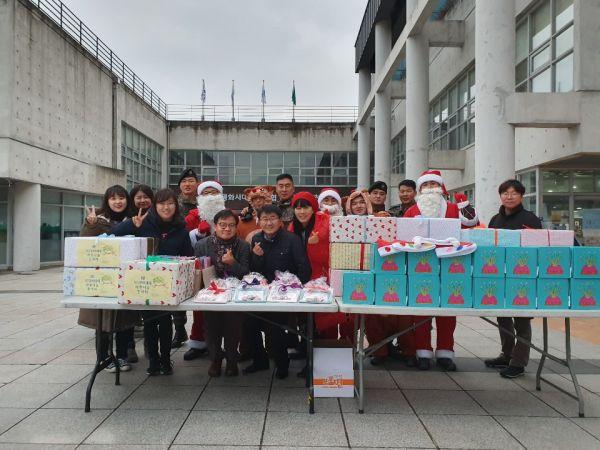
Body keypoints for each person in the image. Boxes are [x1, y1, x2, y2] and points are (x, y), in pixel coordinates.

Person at [404, 170, 479, 371]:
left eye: (433, 184)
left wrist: (465, 206)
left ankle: (445, 352)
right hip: (421, 267)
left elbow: (472, 224)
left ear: (440, 187)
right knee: (421, 311)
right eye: (426, 185)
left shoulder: (453, 208)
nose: (430, 189)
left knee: (447, 311)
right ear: (420, 190)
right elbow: (403, 237)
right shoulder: (412, 211)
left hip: (451, 266)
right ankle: (423, 352)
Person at [113, 188, 193, 375]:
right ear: (155, 206)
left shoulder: (181, 228)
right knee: (149, 321)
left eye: (170, 203)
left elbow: (188, 255)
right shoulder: (144, 223)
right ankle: (154, 362)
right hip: (145, 282)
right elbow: (113, 234)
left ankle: (165, 360)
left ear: (176, 206)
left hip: (168, 285)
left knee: (165, 321)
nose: (166, 207)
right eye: (162, 203)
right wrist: (132, 225)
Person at [244, 205, 311, 379]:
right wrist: (256, 256)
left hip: (285, 293)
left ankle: (282, 364)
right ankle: (260, 360)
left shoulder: (292, 239)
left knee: (275, 326)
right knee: (249, 322)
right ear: (259, 221)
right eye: (264, 219)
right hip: (262, 292)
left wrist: (296, 290)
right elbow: (254, 271)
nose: (269, 223)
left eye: (272, 218)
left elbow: (303, 267)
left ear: (280, 221)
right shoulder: (257, 238)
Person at [485, 179, 542, 379]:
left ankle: (518, 363)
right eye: (505, 193)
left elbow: (538, 248)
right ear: (500, 196)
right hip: (499, 275)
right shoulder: (495, 220)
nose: (509, 197)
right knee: (502, 317)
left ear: (521, 196)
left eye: (514, 193)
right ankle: (507, 354)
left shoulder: (530, 219)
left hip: (523, 277)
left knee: (522, 320)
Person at [78, 185, 138, 372]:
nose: (118, 202)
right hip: (103, 277)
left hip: (127, 277)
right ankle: (103, 358)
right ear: (107, 201)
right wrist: (91, 224)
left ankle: (122, 356)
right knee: (103, 320)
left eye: (121, 198)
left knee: (125, 319)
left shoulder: (134, 218)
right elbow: (84, 243)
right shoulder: (98, 220)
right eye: (113, 198)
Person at [195, 210, 250, 377]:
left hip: (234, 294)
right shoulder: (202, 245)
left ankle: (232, 360)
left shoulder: (243, 246)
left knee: (233, 327)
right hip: (210, 294)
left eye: (231, 225)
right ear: (215, 226)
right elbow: (196, 271)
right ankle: (215, 359)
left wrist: (233, 263)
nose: (227, 229)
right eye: (222, 225)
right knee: (211, 328)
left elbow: (246, 274)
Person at [183, 180, 227, 360]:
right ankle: (198, 343)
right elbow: (185, 240)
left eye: (214, 193)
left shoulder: (227, 214)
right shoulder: (192, 216)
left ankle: (224, 345)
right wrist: (197, 234)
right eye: (206, 193)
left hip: (225, 266)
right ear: (200, 197)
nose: (210, 197)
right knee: (200, 307)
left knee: (226, 310)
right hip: (200, 267)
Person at [171, 168, 199, 349]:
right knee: (176, 290)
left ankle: (200, 334)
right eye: (184, 181)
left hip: (200, 252)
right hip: (179, 251)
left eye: (191, 181)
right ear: (179, 185)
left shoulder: (203, 201)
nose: (187, 184)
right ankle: (179, 329)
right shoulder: (173, 203)